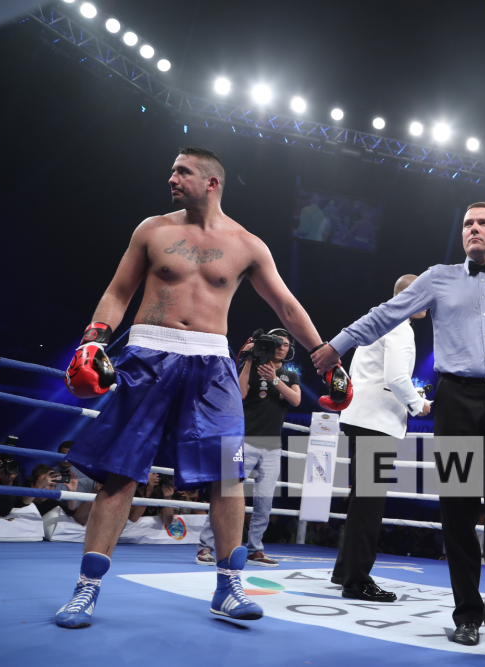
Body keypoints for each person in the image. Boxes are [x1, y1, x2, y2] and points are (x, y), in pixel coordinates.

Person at [55, 146, 325, 629]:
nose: (172, 178)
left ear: (211, 182)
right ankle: (86, 589)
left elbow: (286, 307)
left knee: (227, 473)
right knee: (120, 473)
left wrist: (324, 354)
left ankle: (228, 587)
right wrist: (94, 340)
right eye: (172, 171)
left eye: (183, 171)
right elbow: (118, 291)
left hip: (212, 363)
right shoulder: (153, 230)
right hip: (147, 353)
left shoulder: (248, 245)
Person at [312, 200, 485, 656]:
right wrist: (339, 343)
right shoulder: (437, 278)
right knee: (458, 509)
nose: (473, 228)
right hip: (456, 403)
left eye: (483, 222)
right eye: (468, 222)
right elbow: (385, 313)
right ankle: (467, 615)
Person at [330, 275, 430, 600]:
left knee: (362, 499)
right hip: (377, 422)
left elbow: (371, 375)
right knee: (369, 503)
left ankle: (344, 571)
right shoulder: (400, 326)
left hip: (360, 416)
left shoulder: (379, 320)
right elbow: (396, 377)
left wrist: (411, 396)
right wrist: (417, 404)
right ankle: (357, 581)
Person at [197, 329, 301, 568]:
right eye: (277, 343)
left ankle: (255, 549)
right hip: (242, 440)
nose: (281, 347)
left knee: (264, 502)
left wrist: (274, 379)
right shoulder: (252, 369)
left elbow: (296, 400)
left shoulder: (290, 376)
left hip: (272, 447)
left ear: (290, 350)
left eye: (285, 344)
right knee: (226, 493)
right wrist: (250, 360)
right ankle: (205, 546)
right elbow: (240, 393)